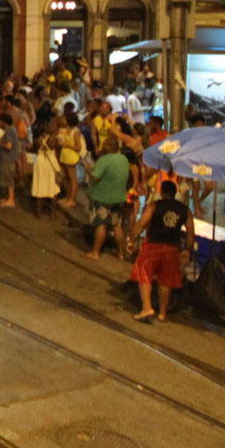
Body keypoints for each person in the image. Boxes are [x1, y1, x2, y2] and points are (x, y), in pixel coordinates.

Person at [127, 180, 192, 322]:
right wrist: (187, 250)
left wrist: (131, 239)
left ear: (162, 192)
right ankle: (162, 313)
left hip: (152, 246)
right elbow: (190, 233)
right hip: (172, 249)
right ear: (175, 193)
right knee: (166, 281)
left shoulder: (154, 206)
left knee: (144, 275)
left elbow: (142, 224)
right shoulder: (185, 210)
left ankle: (147, 308)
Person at [83, 137, 131, 261]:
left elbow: (94, 177)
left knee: (101, 225)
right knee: (116, 225)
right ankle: (121, 253)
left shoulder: (104, 160)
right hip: (119, 197)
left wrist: (87, 167)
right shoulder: (124, 159)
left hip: (103, 197)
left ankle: (96, 252)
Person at [29, 128, 61, 217]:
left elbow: (33, 148)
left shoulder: (37, 141)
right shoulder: (53, 140)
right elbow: (57, 149)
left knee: (39, 185)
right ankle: (52, 213)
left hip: (39, 162)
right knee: (52, 186)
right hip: (50, 163)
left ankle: (38, 212)